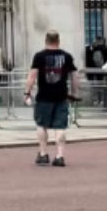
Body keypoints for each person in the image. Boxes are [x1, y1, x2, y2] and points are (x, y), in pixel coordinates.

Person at [25, 29, 79, 167]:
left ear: (46, 40)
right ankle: (60, 156)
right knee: (60, 126)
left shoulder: (39, 56)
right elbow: (75, 76)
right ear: (58, 41)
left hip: (44, 96)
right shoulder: (67, 56)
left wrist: (27, 92)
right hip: (61, 96)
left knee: (41, 125)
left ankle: (43, 154)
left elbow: (32, 76)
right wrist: (74, 93)